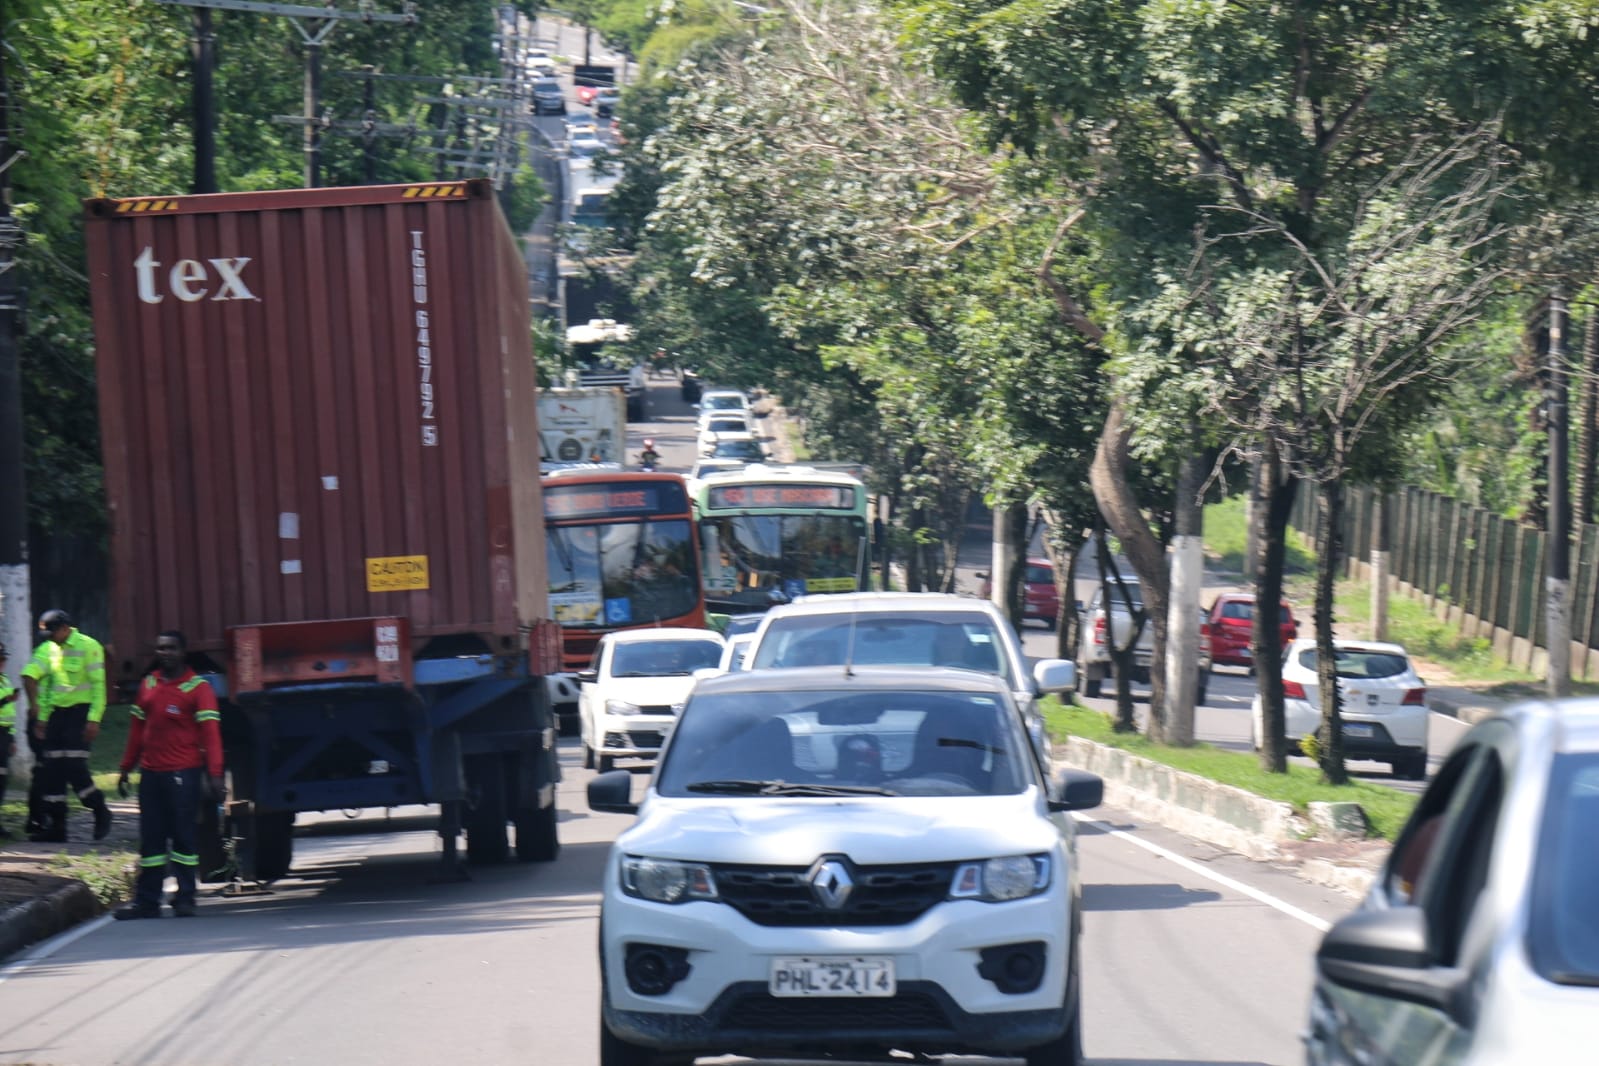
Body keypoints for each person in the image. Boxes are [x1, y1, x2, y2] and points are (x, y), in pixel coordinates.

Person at [115, 630, 224, 920]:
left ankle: (185, 898)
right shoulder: (148, 684)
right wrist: (126, 768)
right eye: (161, 648)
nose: (165, 653)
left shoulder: (198, 688)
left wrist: (215, 775)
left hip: (183, 773)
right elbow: (137, 731)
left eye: (171, 648)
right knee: (151, 841)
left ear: (183, 652)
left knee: (183, 838)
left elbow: (211, 735)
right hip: (151, 774)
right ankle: (147, 902)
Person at [30, 609, 113, 843]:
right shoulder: (51, 649)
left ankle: (99, 809)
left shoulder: (89, 646)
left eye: (52, 632)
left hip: (80, 714)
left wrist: (94, 719)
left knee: (74, 766)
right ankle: (57, 826)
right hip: (56, 716)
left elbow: (99, 686)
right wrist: (43, 719)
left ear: (65, 628)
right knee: (52, 770)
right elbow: (49, 688)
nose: (50, 638)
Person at [20, 638, 58, 834]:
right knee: (45, 771)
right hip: (41, 723)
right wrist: (35, 706)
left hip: (47, 722)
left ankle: (38, 818)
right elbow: (28, 676)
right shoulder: (48, 651)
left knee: (45, 771)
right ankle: (37, 818)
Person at [0, 643, 14, 839]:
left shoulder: (4, 681)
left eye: (4, 658)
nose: (3, 662)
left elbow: (10, 714)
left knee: (1, 780)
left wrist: (12, 737)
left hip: (4, 736)